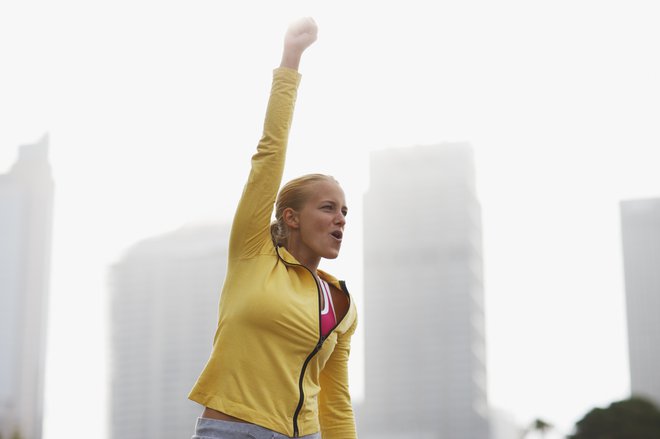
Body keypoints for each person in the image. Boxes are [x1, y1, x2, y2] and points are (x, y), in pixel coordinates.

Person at [189, 17, 358, 439]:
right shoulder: (253, 254)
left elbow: (336, 401)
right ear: (291, 217)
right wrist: (291, 61)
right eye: (328, 207)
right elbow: (269, 155)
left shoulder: (339, 304)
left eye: (344, 211)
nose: (340, 218)